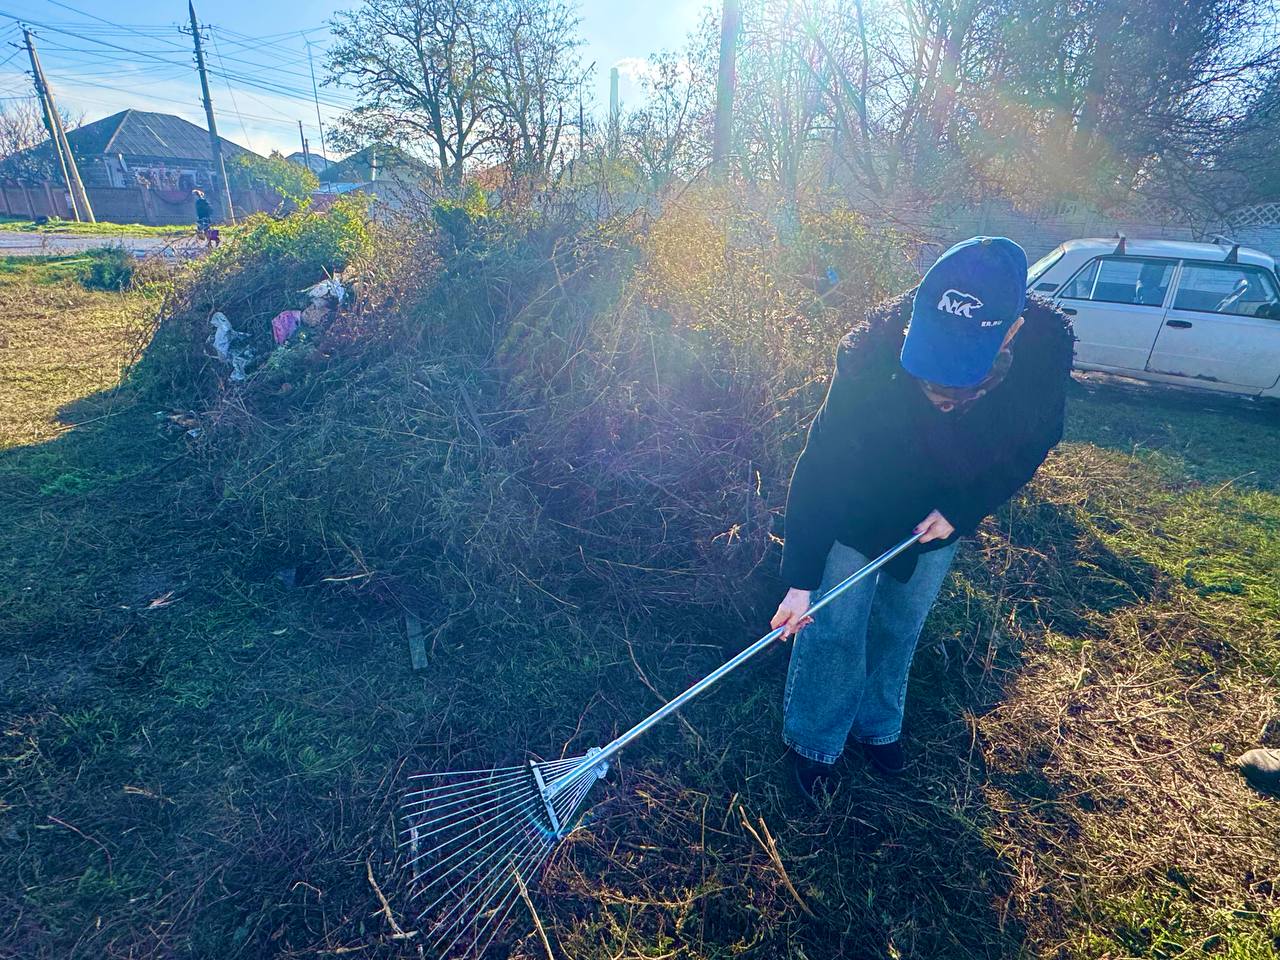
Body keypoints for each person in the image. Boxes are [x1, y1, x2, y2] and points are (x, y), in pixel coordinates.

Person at [771, 237, 1074, 802]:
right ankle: (815, 740)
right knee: (835, 624)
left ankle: (877, 724)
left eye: (958, 377)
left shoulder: (1042, 361)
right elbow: (822, 459)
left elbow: (1032, 445)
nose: (939, 391)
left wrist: (962, 511)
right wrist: (800, 579)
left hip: (939, 519)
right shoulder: (868, 354)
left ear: (1011, 331)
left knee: (900, 623)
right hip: (857, 507)